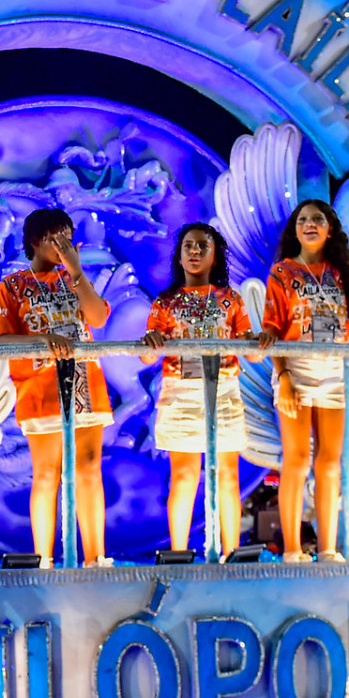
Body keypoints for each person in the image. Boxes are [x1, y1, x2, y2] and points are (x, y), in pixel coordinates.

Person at [0, 208, 113, 567]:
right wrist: (43, 340)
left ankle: (95, 559)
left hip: (85, 383)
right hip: (39, 388)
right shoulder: (12, 286)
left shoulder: (74, 279)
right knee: (46, 472)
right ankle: (43, 561)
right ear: (34, 241)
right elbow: (1, 339)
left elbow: (98, 317)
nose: (63, 245)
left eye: (68, 238)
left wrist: (76, 271)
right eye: (55, 238)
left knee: (89, 466)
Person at [140, 223, 257, 554]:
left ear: (215, 255)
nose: (194, 251)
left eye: (202, 246)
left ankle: (232, 554)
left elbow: (250, 349)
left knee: (228, 475)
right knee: (184, 475)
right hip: (180, 392)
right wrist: (151, 341)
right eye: (188, 245)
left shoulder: (230, 299)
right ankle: (178, 554)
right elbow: (147, 355)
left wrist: (258, 340)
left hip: (225, 391)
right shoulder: (166, 302)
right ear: (179, 256)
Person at [257, 200, 349, 563]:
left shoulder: (342, 273)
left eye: (317, 219)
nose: (309, 224)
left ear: (330, 229)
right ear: (295, 230)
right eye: (302, 220)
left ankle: (328, 549)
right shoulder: (282, 272)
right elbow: (272, 330)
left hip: (334, 371)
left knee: (330, 462)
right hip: (297, 368)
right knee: (297, 459)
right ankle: (292, 550)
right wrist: (283, 375)